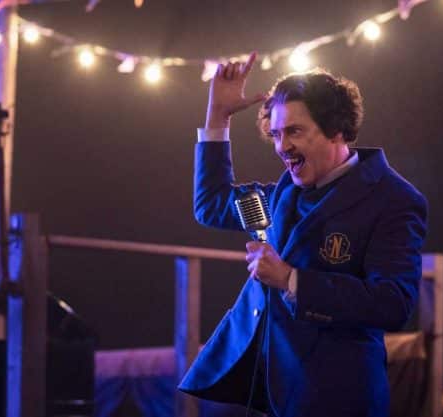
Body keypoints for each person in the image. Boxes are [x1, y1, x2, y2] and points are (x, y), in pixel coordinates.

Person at [178, 52, 427, 417]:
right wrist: (218, 116)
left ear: (337, 129)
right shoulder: (280, 196)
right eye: (276, 134)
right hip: (272, 396)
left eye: (294, 131)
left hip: (338, 402)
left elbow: (393, 304)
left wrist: (291, 280)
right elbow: (212, 204)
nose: (282, 146)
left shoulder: (393, 200)